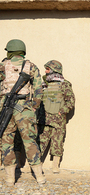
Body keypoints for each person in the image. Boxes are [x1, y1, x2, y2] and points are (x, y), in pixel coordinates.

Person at [0, 39, 45, 185]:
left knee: (6, 142)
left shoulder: (2, 66)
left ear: (10, 51)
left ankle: (9, 179)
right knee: (30, 141)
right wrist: (33, 106)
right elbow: (38, 89)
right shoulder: (31, 66)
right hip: (25, 109)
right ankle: (40, 177)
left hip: (6, 108)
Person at [38, 60, 75, 174]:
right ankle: (37, 165)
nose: (45, 71)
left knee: (57, 143)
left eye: (48, 69)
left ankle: (55, 166)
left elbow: (71, 101)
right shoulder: (44, 84)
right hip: (45, 119)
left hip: (58, 120)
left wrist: (62, 112)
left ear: (54, 70)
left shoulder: (64, 84)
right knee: (41, 142)